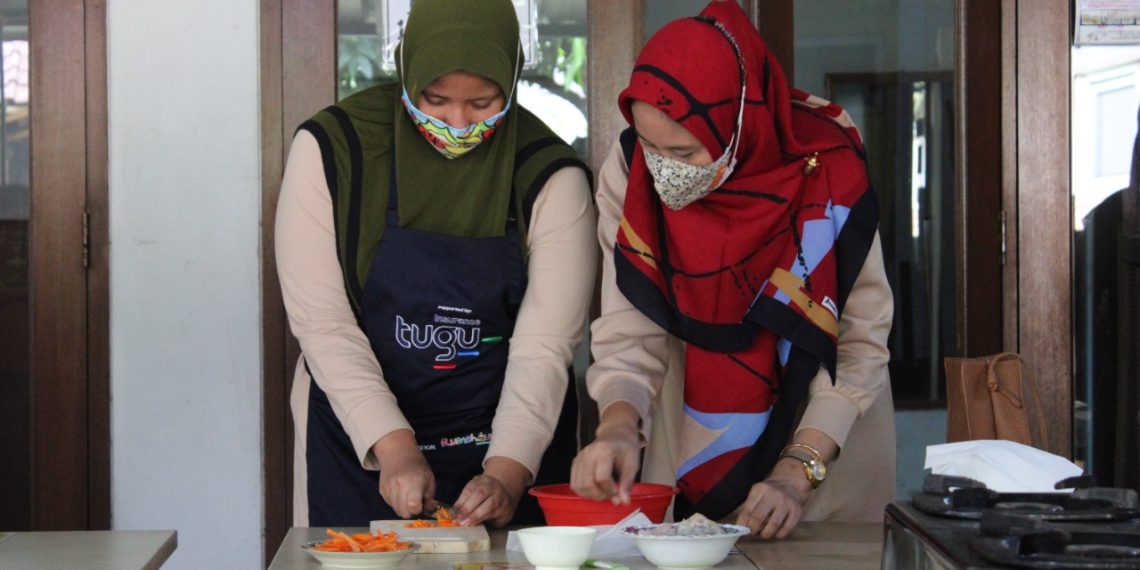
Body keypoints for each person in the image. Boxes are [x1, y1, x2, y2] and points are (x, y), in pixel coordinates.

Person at [570, 0, 895, 540]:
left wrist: (798, 470)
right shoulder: (632, 172)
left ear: (738, 126)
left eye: (684, 150)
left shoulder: (827, 172)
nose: (664, 169)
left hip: (828, 440)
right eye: (650, 144)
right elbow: (630, 324)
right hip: (689, 429)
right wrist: (619, 426)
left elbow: (859, 342)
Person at [275, 0, 595, 528]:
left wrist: (508, 473)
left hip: (504, 432)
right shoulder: (334, 151)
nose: (457, 122)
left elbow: (544, 346)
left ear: (513, 78)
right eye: (436, 99)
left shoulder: (551, 174)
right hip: (359, 432)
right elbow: (323, 323)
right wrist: (394, 448)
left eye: (483, 103)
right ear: (407, 70)